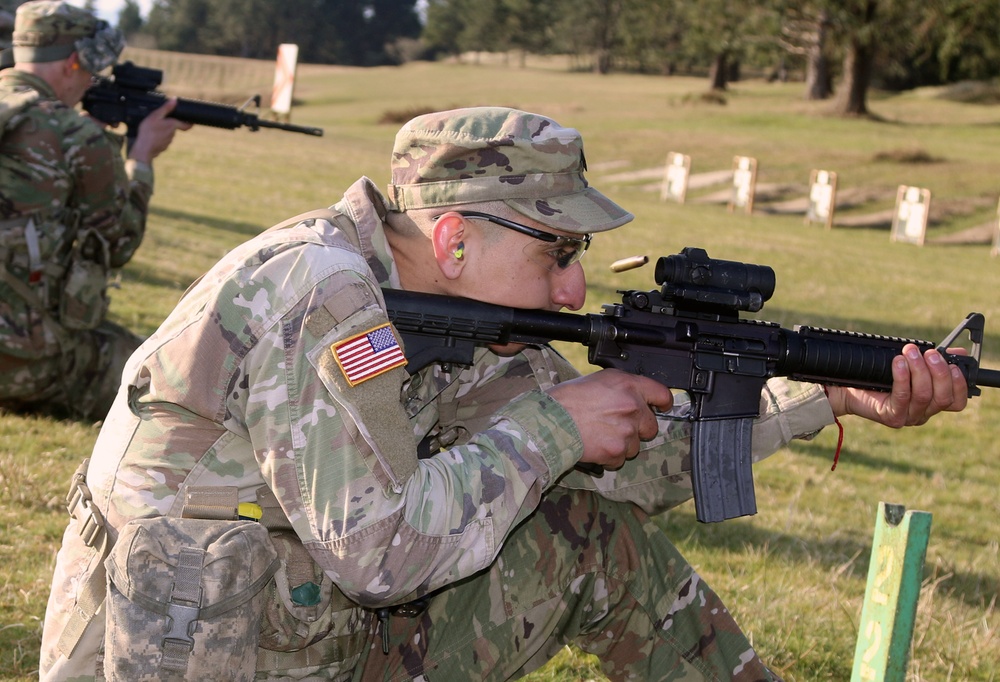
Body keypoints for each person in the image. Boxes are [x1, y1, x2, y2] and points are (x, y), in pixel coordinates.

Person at [40, 106, 968, 681]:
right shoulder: (322, 295)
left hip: (293, 622)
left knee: (601, 544)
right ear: (453, 242)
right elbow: (382, 558)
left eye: (579, 257)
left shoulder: (467, 316)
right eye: (554, 253)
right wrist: (548, 428)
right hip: (187, 652)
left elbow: (614, 471)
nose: (572, 288)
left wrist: (829, 398)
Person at [0, 0, 189, 421]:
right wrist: (141, 159)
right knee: (166, 381)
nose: (91, 82)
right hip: (22, 361)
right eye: (88, 71)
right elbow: (119, 242)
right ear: (72, 62)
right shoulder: (75, 135)